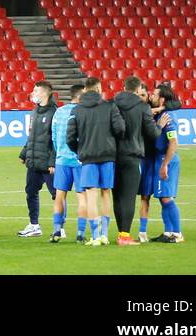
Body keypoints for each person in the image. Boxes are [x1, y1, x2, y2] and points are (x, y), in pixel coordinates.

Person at [66, 77, 125, 246]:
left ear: (85, 90)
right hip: (107, 156)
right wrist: (112, 143)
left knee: (91, 195)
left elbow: (69, 137)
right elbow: (120, 129)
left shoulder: (77, 110)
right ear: (99, 89)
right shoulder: (110, 106)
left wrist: (79, 150)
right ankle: (105, 234)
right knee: (106, 193)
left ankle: (95, 235)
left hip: (88, 158)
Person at [113, 76, 165, 246]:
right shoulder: (142, 107)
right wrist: (160, 126)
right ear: (137, 90)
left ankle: (121, 233)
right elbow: (153, 133)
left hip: (113, 155)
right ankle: (125, 236)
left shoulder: (112, 102)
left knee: (117, 196)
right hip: (132, 155)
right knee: (128, 197)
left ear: (124, 87)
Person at [17, 81, 58, 238]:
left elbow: (56, 140)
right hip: (34, 162)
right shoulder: (35, 111)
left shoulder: (55, 112)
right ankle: (34, 225)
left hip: (48, 164)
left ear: (44, 93)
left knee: (56, 194)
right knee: (31, 192)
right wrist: (24, 153)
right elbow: (32, 137)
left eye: (35, 90)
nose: (33, 93)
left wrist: (53, 162)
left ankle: (59, 226)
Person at [48, 83, 87, 244]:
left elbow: (54, 137)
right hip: (79, 161)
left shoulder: (59, 112)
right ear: (79, 96)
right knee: (82, 197)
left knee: (59, 196)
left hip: (62, 160)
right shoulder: (83, 112)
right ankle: (80, 233)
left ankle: (57, 230)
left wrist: (59, 154)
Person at [150, 83, 184, 244]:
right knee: (162, 197)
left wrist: (165, 164)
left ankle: (177, 233)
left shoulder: (168, 117)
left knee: (166, 198)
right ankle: (168, 231)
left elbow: (173, 142)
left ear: (162, 99)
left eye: (154, 94)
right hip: (160, 158)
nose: (151, 96)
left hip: (166, 159)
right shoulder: (160, 113)